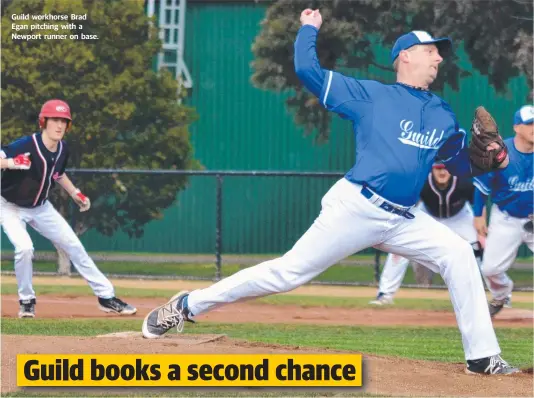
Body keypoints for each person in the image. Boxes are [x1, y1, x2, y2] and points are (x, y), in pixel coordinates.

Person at [142, 9, 518, 375]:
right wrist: (309, 28)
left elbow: (459, 166)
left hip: (403, 218)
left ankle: (482, 357)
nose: (439, 57)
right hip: (357, 208)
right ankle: (187, 305)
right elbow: (308, 70)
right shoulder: (369, 95)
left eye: (439, 52)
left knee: (459, 254)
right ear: (405, 56)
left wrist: (495, 157)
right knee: (286, 274)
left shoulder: (442, 113)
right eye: (431, 50)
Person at [1, 99, 137, 318]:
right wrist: (10, 163)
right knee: (25, 248)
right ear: (43, 122)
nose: (60, 125)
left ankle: (106, 297)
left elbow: (58, 174)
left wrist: (75, 193)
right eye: (55, 120)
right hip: (10, 207)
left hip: (40, 207)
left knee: (74, 245)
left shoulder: (63, 148)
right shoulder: (25, 145)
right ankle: (27, 300)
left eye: (64, 121)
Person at [370, 164, 482, 305]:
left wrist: (481, 226)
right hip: (429, 214)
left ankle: (491, 297)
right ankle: (385, 294)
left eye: (445, 168)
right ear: (432, 170)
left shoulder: (462, 183)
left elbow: (479, 201)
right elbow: (407, 202)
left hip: (459, 217)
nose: (442, 172)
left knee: (477, 250)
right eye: (438, 168)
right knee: (399, 248)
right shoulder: (423, 182)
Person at [473, 105, 533, 317]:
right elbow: (481, 187)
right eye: (529, 124)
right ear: (517, 127)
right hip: (506, 217)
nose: (533, 127)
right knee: (490, 269)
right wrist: (478, 215)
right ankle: (501, 294)